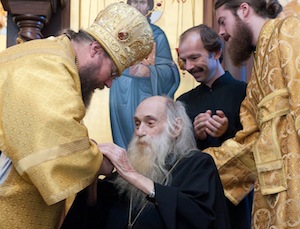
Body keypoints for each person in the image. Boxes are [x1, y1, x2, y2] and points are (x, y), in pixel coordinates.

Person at [0, 2, 154, 228]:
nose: (110, 84)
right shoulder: (49, 67)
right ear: (95, 50)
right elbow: (54, 142)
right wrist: (97, 161)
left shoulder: (52, 54)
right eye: (112, 72)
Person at [61, 95, 230, 229]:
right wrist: (94, 176)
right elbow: (91, 216)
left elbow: (198, 218)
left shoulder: (197, 164)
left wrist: (131, 174)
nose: (140, 131)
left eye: (150, 123)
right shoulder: (125, 176)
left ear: (176, 128)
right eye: (136, 123)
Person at [203, 0, 300, 228]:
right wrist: (204, 165)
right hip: (273, 194)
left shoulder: (288, 30)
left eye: (222, 21)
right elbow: (251, 142)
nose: (221, 32)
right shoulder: (256, 77)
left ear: (243, 10)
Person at [176, 24, 252, 229]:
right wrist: (196, 136)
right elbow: (177, 156)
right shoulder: (183, 101)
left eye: (194, 58)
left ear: (216, 52)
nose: (189, 67)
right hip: (198, 199)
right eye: (184, 61)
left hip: (239, 199)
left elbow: (256, 144)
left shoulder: (245, 92)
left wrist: (227, 131)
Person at [109, 0, 180, 149]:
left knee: (146, 134)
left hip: (146, 93)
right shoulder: (118, 34)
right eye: (134, 2)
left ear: (149, 6)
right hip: (122, 93)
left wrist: (150, 72)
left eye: (142, 2)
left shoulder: (158, 35)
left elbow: (169, 71)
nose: (137, 7)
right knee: (126, 140)